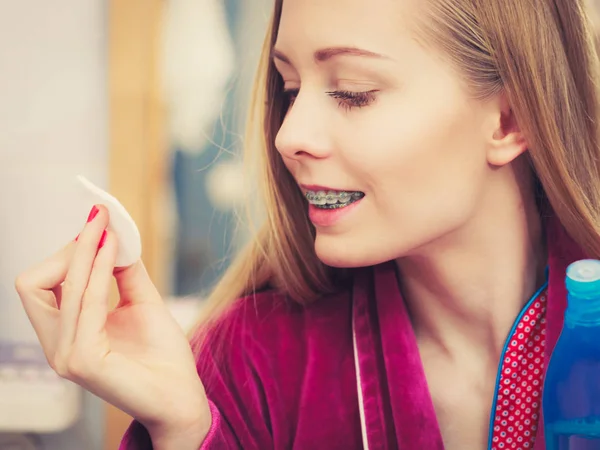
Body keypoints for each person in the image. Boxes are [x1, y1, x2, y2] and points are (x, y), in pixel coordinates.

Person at [14, 0, 600, 448]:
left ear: (508, 118)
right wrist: (185, 428)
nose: (287, 135)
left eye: (352, 93)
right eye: (290, 88)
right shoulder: (246, 361)